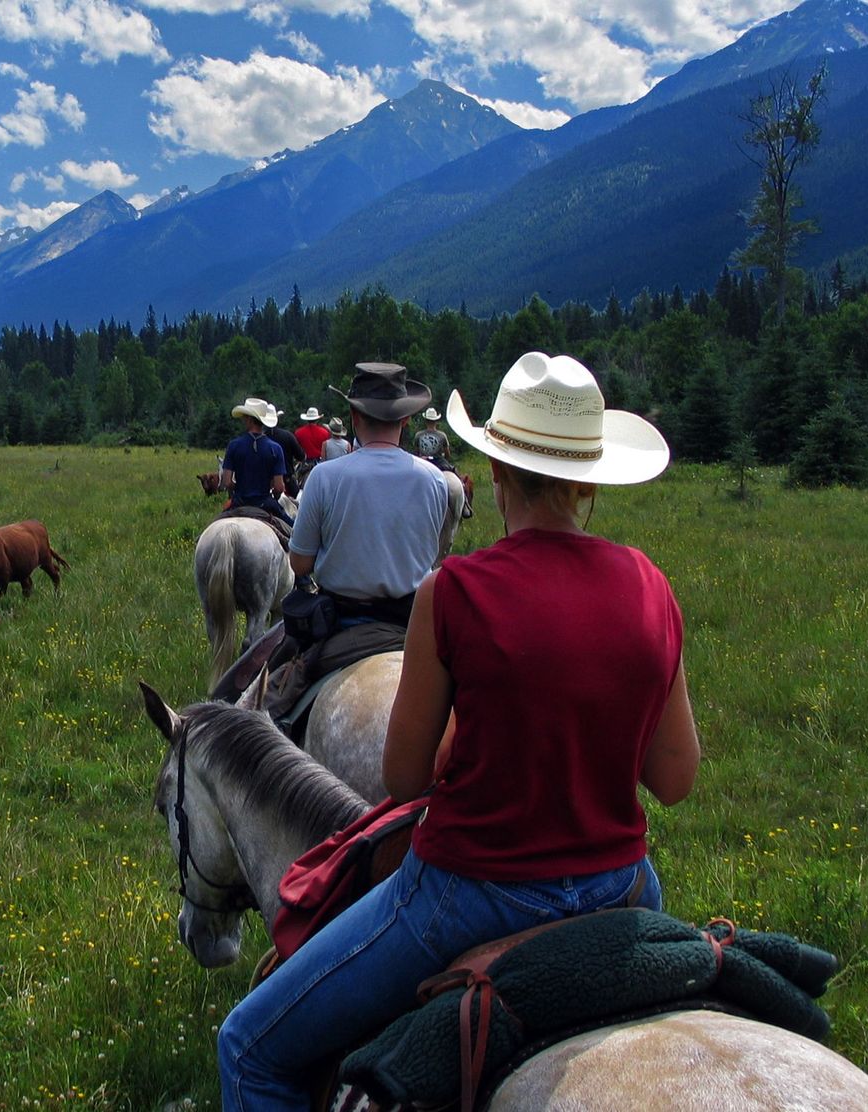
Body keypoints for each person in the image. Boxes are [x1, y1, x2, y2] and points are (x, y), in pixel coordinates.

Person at [216, 352, 701, 1112]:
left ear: (496, 468)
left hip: (472, 892)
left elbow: (406, 778)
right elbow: (673, 778)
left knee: (248, 1046)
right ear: (589, 480)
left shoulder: (458, 593)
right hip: (623, 881)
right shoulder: (651, 584)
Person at [288, 363, 448, 630]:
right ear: (406, 418)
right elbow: (432, 554)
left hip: (341, 619)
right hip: (412, 622)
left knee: (277, 668)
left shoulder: (323, 477)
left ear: (354, 415)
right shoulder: (434, 479)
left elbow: (300, 564)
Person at [219, 397, 293, 526]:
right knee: (292, 530)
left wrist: (239, 488)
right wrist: (274, 493)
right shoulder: (275, 448)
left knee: (209, 530)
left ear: (249, 419)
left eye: (244, 417)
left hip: (239, 502)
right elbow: (279, 487)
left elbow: (226, 482)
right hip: (265, 502)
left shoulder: (234, 445)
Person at [267, 408, 306, 496]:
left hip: (264, 482)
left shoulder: (261, 438)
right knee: (299, 501)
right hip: (286, 480)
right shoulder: (288, 436)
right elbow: (301, 456)